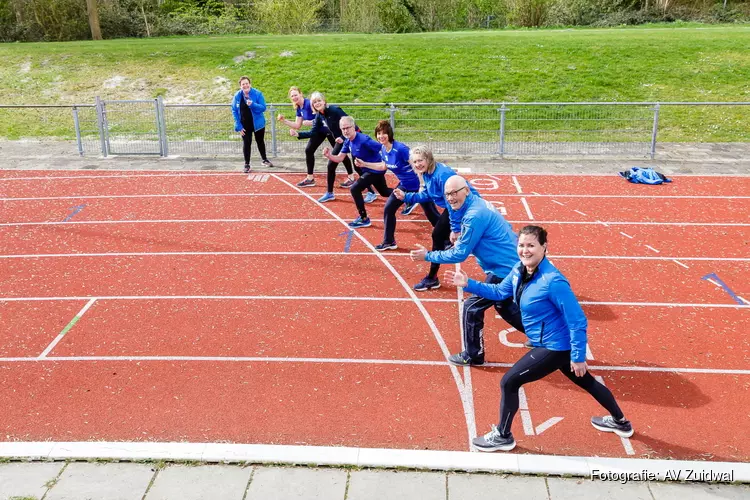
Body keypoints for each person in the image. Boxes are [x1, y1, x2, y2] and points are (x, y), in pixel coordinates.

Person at [445, 225, 634, 452]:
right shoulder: (519, 270)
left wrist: (577, 356)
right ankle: (621, 422)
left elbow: (577, 320)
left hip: (556, 346)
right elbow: (498, 293)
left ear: (544, 248)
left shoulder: (553, 281)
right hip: (551, 343)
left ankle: (503, 436)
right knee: (587, 382)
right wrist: (468, 284)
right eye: (522, 245)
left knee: (510, 382)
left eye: (531, 246)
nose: (525, 250)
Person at [410, 175, 525, 365]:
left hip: (504, 269)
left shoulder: (474, 215)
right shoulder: (477, 204)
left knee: (472, 306)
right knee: (503, 305)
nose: (451, 197)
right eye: (447, 194)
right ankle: (542, 336)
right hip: (510, 264)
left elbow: (460, 255)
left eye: (454, 193)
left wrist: (428, 255)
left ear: (466, 190)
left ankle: (474, 355)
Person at [394, 146, 478, 291]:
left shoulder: (441, 175)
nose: (417, 164)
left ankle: (432, 278)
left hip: (468, 206)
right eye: (415, 162)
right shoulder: (427, 173)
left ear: (428, 159)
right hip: (458, 205)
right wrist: (406, 196)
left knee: (443, 235)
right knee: (444, 236)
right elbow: (427, 195)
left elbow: (452, 204)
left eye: (420, 160)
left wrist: (455, 229)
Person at [355, 120, 440, 249]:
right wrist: (365, 164)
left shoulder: (400, 149)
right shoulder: (383, 149)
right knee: (389, 209)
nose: (380, 136)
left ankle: (448, 239)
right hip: (404, 185)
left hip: (418, 186)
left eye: (383, 133)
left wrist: (423, 185)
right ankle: (389, 241)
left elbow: (416, 164)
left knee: (432, 215)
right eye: (378, 134)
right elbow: (383, 166)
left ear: (389, 134)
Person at [293, 92, 375, 201]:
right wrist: (298, 134)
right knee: (331, 165)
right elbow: (313, 132)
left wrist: (342, 136)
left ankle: (371, 192)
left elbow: (352, 124)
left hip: (354, 138)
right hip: (342, 141)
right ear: (312, 105)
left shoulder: (334, 110)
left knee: (358, 166)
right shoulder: (318, 116)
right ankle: (330, 193)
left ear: (324, 101)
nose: (317, 103)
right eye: (314, 102)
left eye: (319, 101)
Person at [324, 117, 393, 228]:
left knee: (355, 189)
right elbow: (340, 158)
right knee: (384, 192)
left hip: (375, 169)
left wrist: (389, 161)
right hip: (369, 170)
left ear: (354, 127)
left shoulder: (364, 140)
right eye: (343, 129)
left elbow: (382, 147)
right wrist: (329, 156)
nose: (345, 131)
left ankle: (364, 218)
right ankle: (409, 197)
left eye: (348, 128)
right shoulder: (347, 141)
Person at [231, 76, 273, 172]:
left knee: (260, 141)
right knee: (246, 143)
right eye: (243, 84)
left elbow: (263, 108)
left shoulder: (257, 94)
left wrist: (253, 104)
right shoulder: (237, 96)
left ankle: (264, 159)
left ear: (250, 84)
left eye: (246, 83)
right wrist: (238, 126)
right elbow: (234, 110)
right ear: (240, 86)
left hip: (258, 124)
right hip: (244, 125)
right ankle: (247, 164)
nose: (245, 85)